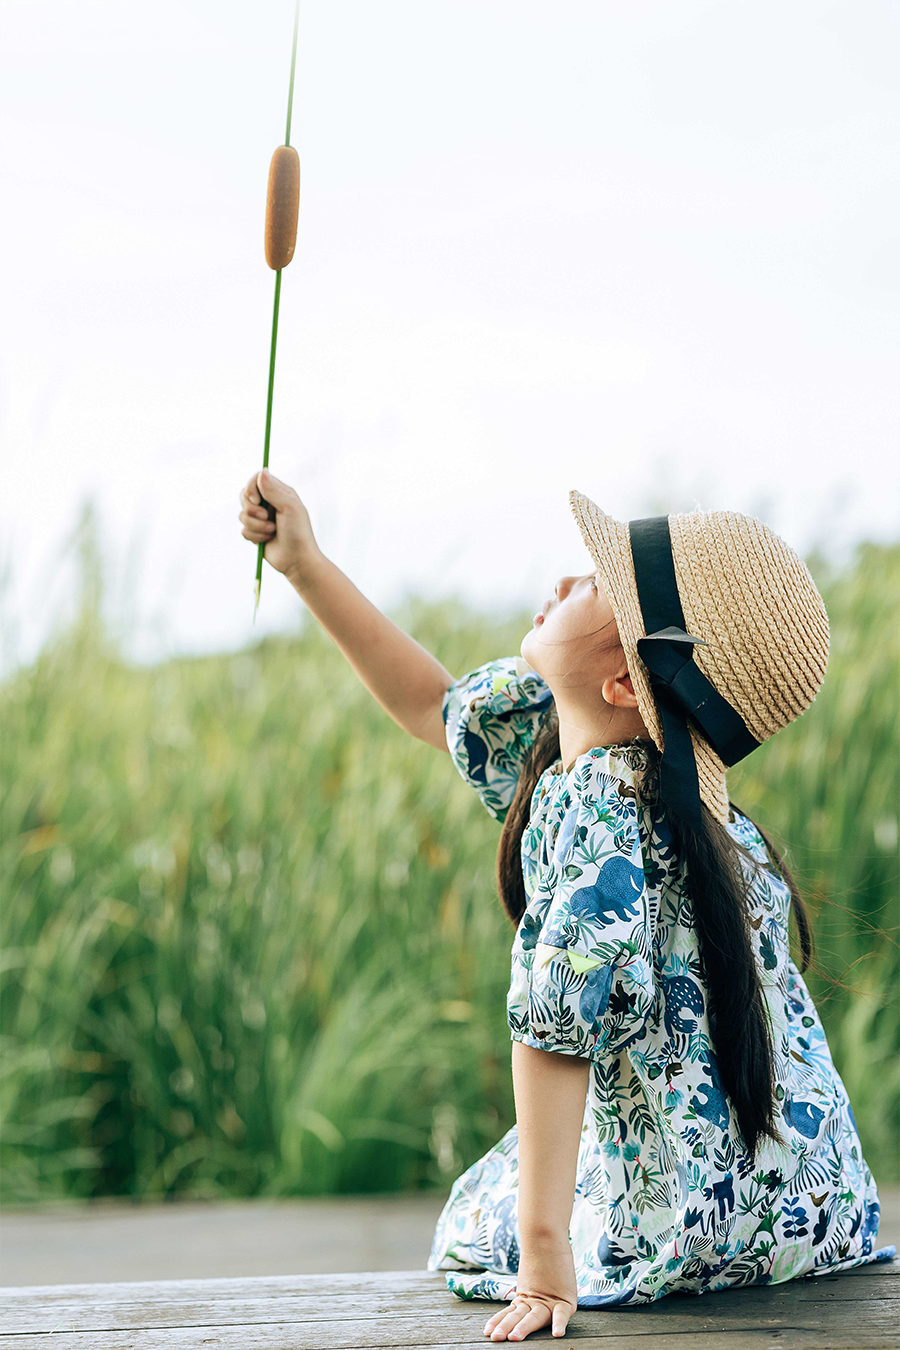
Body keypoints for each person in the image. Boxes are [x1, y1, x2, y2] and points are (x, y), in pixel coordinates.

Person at [238, 470, 895, 1343]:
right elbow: (434, 707)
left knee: (476, 1219)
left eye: (594, 584)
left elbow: (556, 1022)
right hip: (813, 1213)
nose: (561, 581)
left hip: (681, 1224)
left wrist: (544, 1249)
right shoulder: (675, 806)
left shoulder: (601, 809)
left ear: (623, 682)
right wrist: (305, 563)